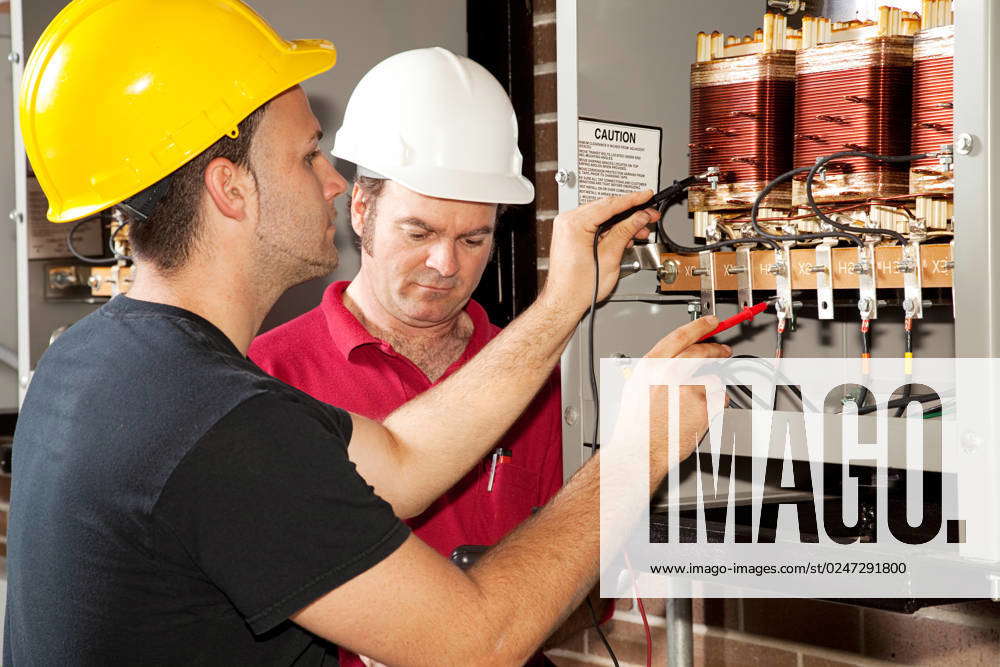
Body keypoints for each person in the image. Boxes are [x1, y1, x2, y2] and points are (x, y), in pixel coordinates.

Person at [5, 1, 728, 665]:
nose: (330, 180)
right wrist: (642, 446)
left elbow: (403, 455)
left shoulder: (97, 362)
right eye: (308, 153)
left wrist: (561, 305)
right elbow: (478, 638)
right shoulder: (216, 425)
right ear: (231, 187)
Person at [249, 48, 589, 665]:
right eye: (420, 232)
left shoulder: (539, 379)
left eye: (473, 238)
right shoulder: (267, 376)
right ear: (360, 210)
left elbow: (578, 582)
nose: (446, 265)